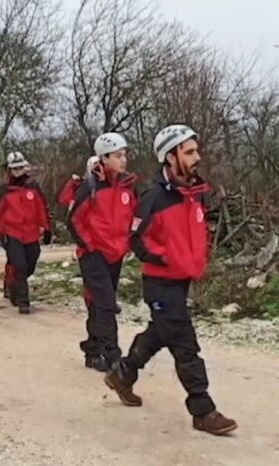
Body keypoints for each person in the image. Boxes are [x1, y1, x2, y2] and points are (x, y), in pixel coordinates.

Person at [103, 124, 237, 436]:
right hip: (160, 283)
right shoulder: (153, 196)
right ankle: (202, 410)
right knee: (185, 344)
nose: (197, 157)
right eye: (189, 152)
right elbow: (135, 236)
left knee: (160, 334)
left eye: (195, 150)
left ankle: (123, 374)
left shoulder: (195, 194)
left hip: (182, 280)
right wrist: (161, 257)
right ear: (170, 156)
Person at [67, 133, 137, 372]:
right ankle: (112, 355)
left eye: (124, 155)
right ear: (104, 158)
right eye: (118, 156)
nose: (123, 160)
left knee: (99, 305)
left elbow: (133, 218)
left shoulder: (128, 187)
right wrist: (90, 246)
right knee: (107, 304)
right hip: (94, 254)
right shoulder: (91, 186)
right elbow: (74, 219)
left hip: (115, 255)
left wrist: (129, 243)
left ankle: (92, 349)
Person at [0, 152, 52, 314]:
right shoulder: (4, 190)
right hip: (12, 233)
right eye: (14, 169)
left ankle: (12, 282)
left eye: (20, 168)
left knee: (31, 262)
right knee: (20, 266)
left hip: (31, 233)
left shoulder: (33, 187)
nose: (17, 171)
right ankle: (23, 301)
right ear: (9, 170)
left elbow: (42, 208)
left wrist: (47, 229)